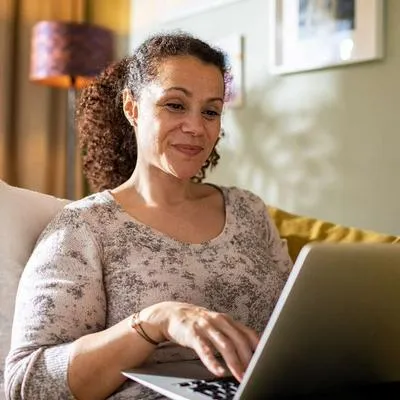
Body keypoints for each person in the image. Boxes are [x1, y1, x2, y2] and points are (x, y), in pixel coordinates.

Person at [5, 31, 292, 400]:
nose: (196, 127)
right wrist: (154, 321)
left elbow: (292, 329)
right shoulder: (85, 227)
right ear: (132, 108)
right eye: (175, 105)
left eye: (210, 111)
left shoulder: (249, 211)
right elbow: (27, 384)